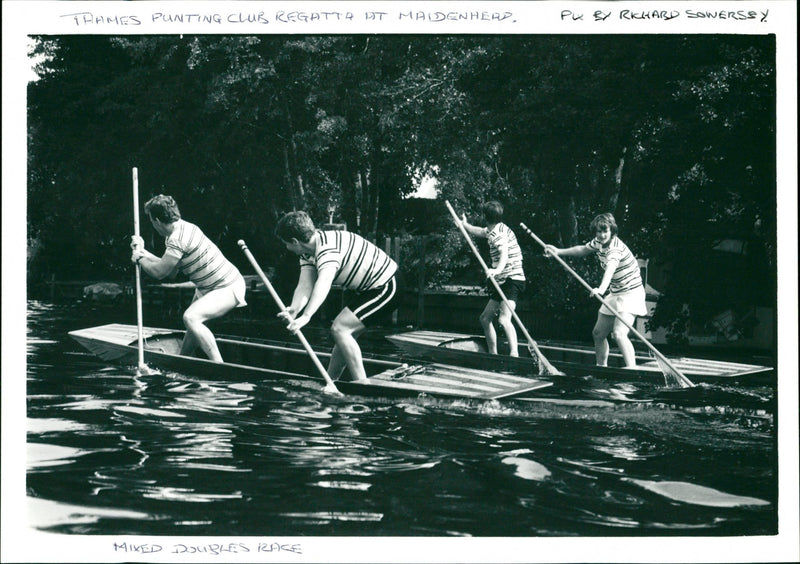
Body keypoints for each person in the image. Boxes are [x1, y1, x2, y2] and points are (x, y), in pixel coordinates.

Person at [275, 211, 399, 382]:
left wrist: (307, 316)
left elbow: (324, 281)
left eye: (286, 244)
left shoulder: (328, 248)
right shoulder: (308, 253)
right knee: (344, 334)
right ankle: (331, 381)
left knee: (340, 328)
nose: (287, 248)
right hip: (369, 289)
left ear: (295, 242)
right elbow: (305, 284)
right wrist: (294, 310)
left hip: (387, 285)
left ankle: (362, 385)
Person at [130, 194, 247, 363]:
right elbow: (171, 271)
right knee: (194, 325)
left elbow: (160, 273)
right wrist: (143, 251)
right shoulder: (178, 231)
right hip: (210, 288)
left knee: (191, 318)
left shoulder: (178, 239)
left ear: (156, 220)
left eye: (151, 220)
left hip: (227, 287)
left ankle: (218, 365)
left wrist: (139, 259)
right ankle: (183, 360)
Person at [544, 212, 647, 368]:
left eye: (605, 231)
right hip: (616, 292)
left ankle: (632, 370)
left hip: (631, 294)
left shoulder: (615, 249)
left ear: (612, 231)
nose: (601, 235)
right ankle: (601, 368)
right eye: (598, 231)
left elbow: (610, 270)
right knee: (598, 334)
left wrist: (601, 289)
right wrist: (559, 252)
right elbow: (582, 250)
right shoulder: (598, 242)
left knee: (619, 334)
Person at [459, 201, 526, 357]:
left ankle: (514, 355)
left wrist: (497, 270)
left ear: (484, 216)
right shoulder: (494, 229)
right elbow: (481, 232)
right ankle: (492, 354)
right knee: (485, 318)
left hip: (512, 279)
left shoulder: (498, 234)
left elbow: (504, 254)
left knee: (504, 320)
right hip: (501, 280)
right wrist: (465, 225)